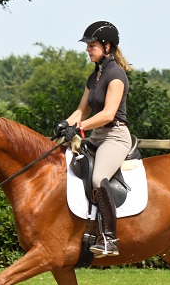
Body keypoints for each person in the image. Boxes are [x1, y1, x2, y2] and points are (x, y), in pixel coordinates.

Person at [54, 21, 132, 257]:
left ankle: (109, 239)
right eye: (87, 45)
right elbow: (81, 111)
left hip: (115, 136)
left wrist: (79, 128)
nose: (87, 49)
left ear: (107, 47)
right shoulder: (95, 76)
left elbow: (108, 114)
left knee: (99, 178)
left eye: (92, 45)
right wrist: (64, 125)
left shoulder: (116, 75)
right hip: (97, 136)